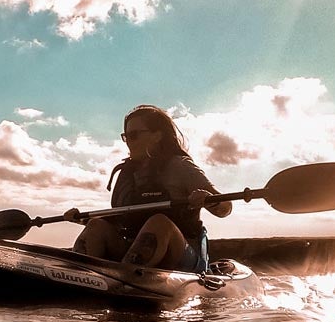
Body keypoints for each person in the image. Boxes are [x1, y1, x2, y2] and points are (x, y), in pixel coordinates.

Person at [64, 105, 231, 273]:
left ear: (157, 136)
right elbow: (118, 220)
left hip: (181, 256)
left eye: (134, 135)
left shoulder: (181, 167)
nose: (129, 141)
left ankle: (126, 276)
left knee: (159, 223)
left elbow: (225, 208)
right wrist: (81, 219)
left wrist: (207, 199)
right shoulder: (126, 174)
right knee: (96, 225)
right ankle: (84, 275)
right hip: (134, 250)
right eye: (126, 136)